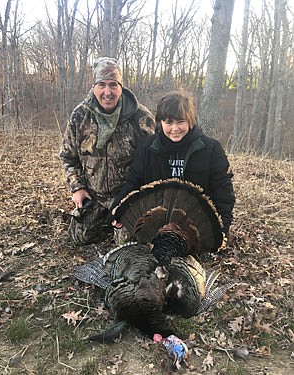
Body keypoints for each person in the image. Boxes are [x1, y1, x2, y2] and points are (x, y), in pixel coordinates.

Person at [109, 90, 235, 237]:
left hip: (196, 225)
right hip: (156, 222)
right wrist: (117, 209)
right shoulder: (148, 146)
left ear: (190, 119)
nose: (175, 129)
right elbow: (134, 181)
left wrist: (222, 229)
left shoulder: (211, 149)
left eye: (180, 122)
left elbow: (223, 192)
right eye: (168, 122)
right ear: (160, 122)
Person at [59, 57, 155, 245]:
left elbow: (156, 161)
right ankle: (103, 219)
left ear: (121, 87)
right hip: (94, 195)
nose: (107, 92)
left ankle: (124, 221)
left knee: (126, 245)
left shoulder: (141, 118)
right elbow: (68, 157)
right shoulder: (80, 116)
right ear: (94, 86)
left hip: (128, 197)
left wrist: (141, 200)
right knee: (78, 238)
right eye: (101, 84)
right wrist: (78, 188)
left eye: (113, 85)